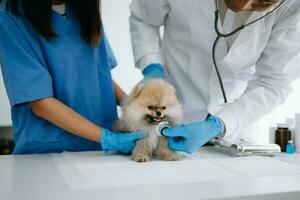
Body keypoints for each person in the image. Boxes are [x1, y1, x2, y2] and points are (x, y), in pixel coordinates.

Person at [130, 0, 300, 153]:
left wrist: (223, 123)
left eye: (262, 1)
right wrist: (152, 66)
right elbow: (144, 19)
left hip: (237, 131)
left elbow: (273, 82)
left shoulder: (293, 6)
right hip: (176, 111)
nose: (244, 4)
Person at [0, 0, 145, 154]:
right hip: (49, 151)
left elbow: (100, 75)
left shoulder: (85, 10)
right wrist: (108, 138)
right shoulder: (11, 18)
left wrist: (138, 110)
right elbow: (39, 101)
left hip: (99, 150)